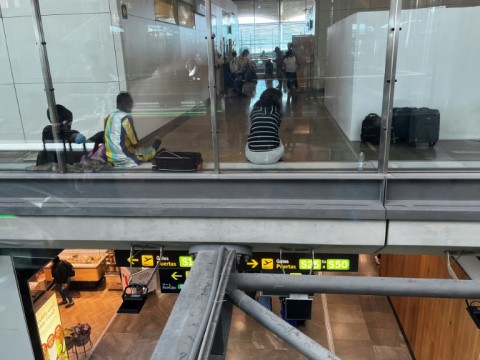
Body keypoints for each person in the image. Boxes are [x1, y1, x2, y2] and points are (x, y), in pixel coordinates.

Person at [104, 92, 161, 167]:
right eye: (131, 103)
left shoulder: (109, 116)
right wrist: (139, 147)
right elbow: (134, 141)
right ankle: (155, 146)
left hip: (110, 157)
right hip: (124, 157)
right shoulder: (126, 118)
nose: (132, 106)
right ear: (127, 104)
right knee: (145, 154)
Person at [245, 88, 284, 165]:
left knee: (249, 141)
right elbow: (275, 130)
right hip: (273, 157)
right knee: (278, 139)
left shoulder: (254, 111)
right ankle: (279, 158)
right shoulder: (277, 113)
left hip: (252, 157)